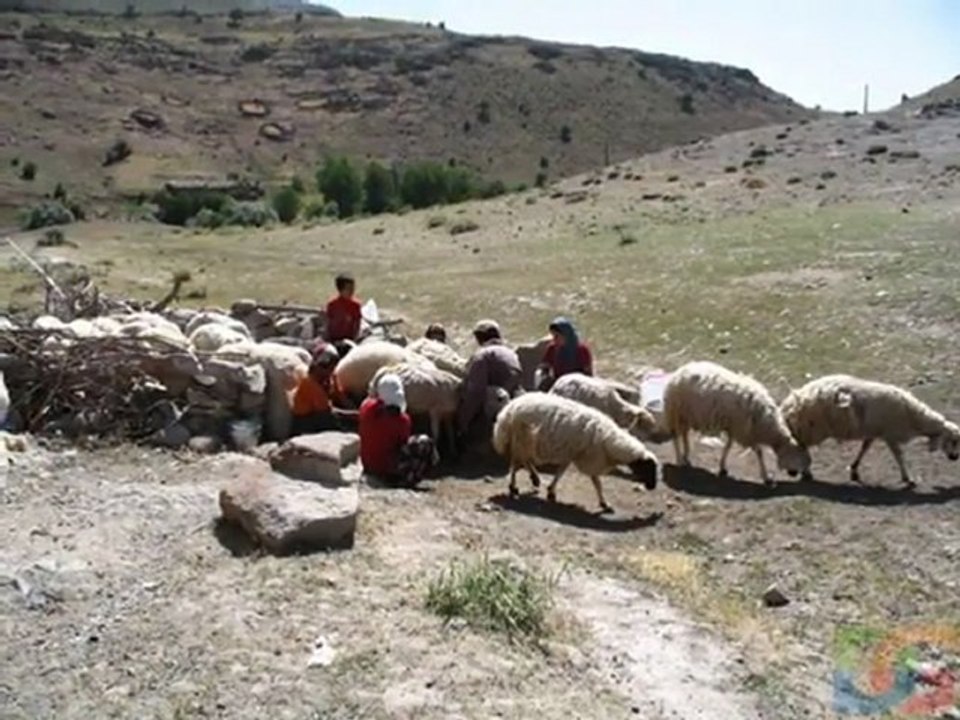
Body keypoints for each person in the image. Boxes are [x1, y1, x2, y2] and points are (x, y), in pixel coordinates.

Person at [359, 373, 436, 487]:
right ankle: (409, 477)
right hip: (386, 466)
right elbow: (401, 443)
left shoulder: (367, 408)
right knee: (424, 442)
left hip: (366, 463)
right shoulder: (403, 420)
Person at [456, 319, 522, 440]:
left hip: (497, 405)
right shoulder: (510, 353)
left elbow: (475, 392)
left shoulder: (483, 355)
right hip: (514, 398)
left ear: (479, 338)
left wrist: (462, 422)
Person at [290, 343, 344, 436]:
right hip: (307, 421)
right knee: (328, 419)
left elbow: (340, 396)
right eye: (325, 367)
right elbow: (326, 411)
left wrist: (354, 408)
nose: (329, 371)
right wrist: (353, 416)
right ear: (317, 366)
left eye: (332, 367)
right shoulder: (309, 383)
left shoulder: (331, 377)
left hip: (324, 413)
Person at [538, 316, 593, 389]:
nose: (554, 339)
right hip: (558, 384)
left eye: (557, 336)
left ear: (566, 335)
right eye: (553, 336)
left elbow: (588, 374)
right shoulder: (552, 349)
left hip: (578, 386)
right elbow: (544, 368)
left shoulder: (582, 350)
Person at [325, 273, 362, 358]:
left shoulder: (355, 305)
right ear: (340, 290)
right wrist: (327, 337)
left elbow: (357, 323)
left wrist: (355, 339)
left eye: (353, 288)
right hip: (334, 339)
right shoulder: (332, 304)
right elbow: (328, 321)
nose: (352, 291)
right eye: (349, 289)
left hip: (349, 340)